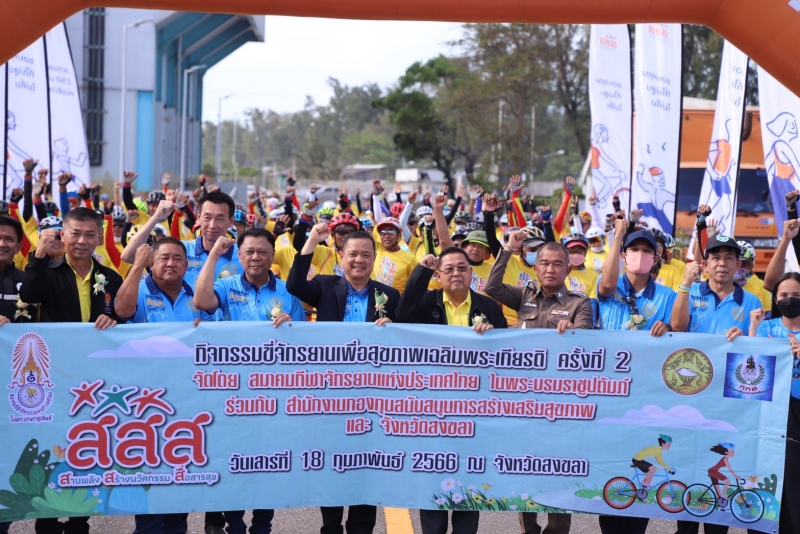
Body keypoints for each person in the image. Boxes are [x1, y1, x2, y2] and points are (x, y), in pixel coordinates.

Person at [287, 223, 397, 534]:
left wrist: (393, 326)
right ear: (341, 256)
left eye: (366, 255)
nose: (359, 260)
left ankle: (362, 526)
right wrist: (312, 239)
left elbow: (402, 341)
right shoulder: (325, 285)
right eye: (353, 254)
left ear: (374, 258)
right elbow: (294, 284)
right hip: (331, 395)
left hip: (371, 397)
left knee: (367, 464)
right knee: (333, 463)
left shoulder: (388, 295)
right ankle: (331, 525)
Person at [193, 227, 304, 534]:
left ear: (272, 256)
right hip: (230, 393)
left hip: (274, 395)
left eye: (262, 252)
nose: (256, 257)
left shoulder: (289, 293)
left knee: (268, 463)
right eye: (249, 252)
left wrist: (293, 327)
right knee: (233, 460)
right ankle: (234, 522)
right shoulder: (225, 285)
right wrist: (214, 254)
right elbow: (201, 301)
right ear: (239, 256)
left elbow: (304, 344)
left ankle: (262, 524)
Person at [19, 208, 121, 534]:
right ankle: (46, 519)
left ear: (99, 237)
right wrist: (39, 254)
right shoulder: (47, 271)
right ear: (62, 235)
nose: (82, 241)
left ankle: (80, 518)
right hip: (54, 376)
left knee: (87, 445)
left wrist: (114, 320)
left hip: (95, 379)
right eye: (75, 233)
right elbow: (29, 295)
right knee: (51, 445)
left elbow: (123, 316)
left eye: (90, 234)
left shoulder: (110, 277)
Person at [396, 247, 505, 534]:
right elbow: (403, 314)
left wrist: (493, 336)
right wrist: (420, 271)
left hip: (475, 413)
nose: (456, 273)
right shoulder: (426, 302)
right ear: (438, 276)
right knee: (433, 483)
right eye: (449, 269)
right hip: (432, 411)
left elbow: (506, 356)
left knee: (468, 485)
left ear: (471, 273)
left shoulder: (488, 307)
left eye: (462, 268)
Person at [485, 233, 586, 534]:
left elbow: (587, 346)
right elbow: (492, 288)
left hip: (561, 405)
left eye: (557, 264)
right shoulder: (524, 296)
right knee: (524, 470)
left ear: (568, 269)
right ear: (535, 267)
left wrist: (573, 331)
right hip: (524, 401)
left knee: (558, 472)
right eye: (544, 263)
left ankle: (557, 530)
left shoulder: (580, 303)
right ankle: (528, 529)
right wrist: (507, 249)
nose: (550, 269)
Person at [114, 236, 201, 534]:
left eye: (178, 258)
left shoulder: (198, 295)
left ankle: (177, 527)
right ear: (152, 262)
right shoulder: (138, 288)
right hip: (146, 402)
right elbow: (122, 310)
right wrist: (136, 266)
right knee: (148, 470)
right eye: (164, 257)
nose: (171, 263)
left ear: (187, 265)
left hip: (188, 399)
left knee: (181, 467)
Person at [595, 221, 675, 534]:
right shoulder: (609, 287)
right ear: (623, 255)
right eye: (634, 249)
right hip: (609, 391)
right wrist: (618, 235)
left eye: (646, 250)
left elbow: (679, 333)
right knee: (611, 460)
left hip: (647, 393)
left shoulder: (667, 296)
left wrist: (669, 328)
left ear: (656, 259)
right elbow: (604, 287)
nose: (640, 255)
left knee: (642, 460)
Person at [749, 272, 800, 534]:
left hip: (797, 407)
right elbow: (750, 366)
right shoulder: (767, 328)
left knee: (793, 472)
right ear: (775, 299)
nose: (790, 300)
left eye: (796, 295)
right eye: (784, 295)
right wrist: (752, 329)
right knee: (769, 468)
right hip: (772, 408)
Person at [671, 235, 760, 338]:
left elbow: (758, 343)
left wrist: (742, 339)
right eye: (716, 258)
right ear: (705, 265)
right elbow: (676, 328)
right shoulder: (689, 292)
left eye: (728, 258)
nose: (722, 263)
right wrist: (686, 284)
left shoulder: (753, 302)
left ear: (738, 264)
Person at [372, 217, 418, 293]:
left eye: (391, 232)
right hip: (374, 298)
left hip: (397, 299)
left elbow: (417, 285)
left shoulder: (410, 258)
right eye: (383, 232)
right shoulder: (377, 248)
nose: (386, 236)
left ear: (399, 236)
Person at [560, 233, 598, 298]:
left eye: (580, 251)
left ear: (585, 253)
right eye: (571, 251)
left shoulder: (594, 276)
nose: (576, 255)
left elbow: (593, 301)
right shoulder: (559, 273)